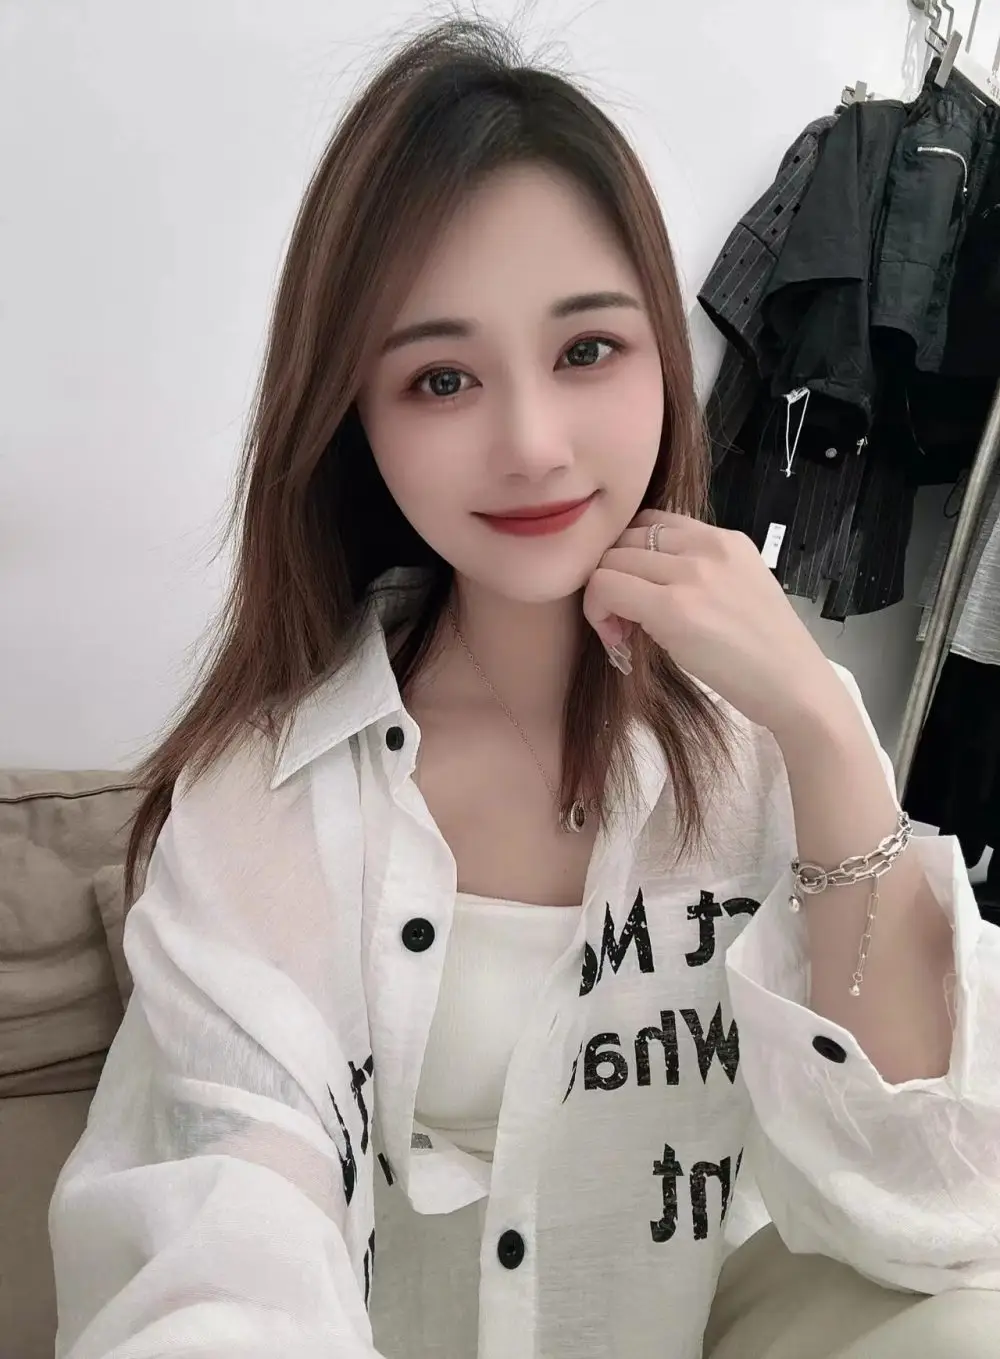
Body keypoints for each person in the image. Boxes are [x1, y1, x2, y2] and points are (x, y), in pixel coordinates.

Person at [49, 17, 1000, 1359]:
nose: (533, 444)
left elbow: (939, 1211)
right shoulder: (268, 791)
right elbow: (229, 1222)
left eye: (587, 350)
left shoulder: (770, 738)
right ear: (354, 415)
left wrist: (819, 727)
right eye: (442, 378)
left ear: (666, 359)